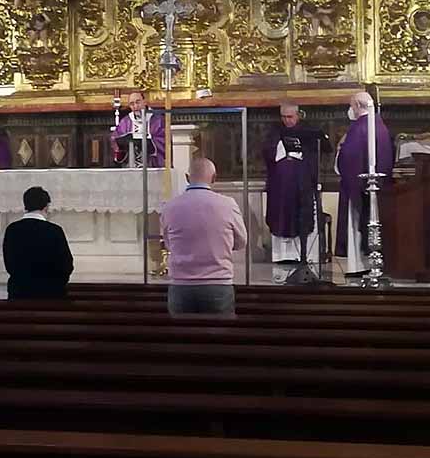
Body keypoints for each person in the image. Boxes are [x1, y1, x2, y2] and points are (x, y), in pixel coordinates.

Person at [160, 157, 247, 316]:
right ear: (214, 178)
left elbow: (168, 243)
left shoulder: (170, 207)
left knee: (180, 338)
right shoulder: (228, 204)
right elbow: (241, 241)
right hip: (218, 283)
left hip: (181, 285)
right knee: (219, 336)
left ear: (187, 177)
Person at [263, 103, 332, 264]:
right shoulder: (275, 132)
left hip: (303, 183)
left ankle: (305, 255)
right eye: (283, 117)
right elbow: (268, 151)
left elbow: (322, 150)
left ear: (298, 115)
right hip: (280, 186)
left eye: (290, 117)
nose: (286, 121)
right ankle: (283, 255)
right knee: (281, 214)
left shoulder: (310, 131)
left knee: (303, 214)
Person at [335, 93, 394, 277]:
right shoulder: (380, 125)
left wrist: (341, 150)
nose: (350, 110)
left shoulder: (359, 127)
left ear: (357, 105)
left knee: (360, 224)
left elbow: (349, 158)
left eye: (351, 106)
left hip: (360, 186)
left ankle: (360, 266)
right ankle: (372, 263)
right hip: (374, 184)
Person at [2, 187, 73, 300]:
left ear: (25, 205)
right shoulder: (54, 230)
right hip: (52, 294)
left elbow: (9, 263)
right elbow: (66, 264)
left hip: (20, 293)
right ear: (46, 206)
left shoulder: (12, 229)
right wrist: (55, 284)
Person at [111, 90, 166, 167]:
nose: (135, 106)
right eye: (132, 104)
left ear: (144, 101)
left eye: (138, 102)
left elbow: (164, 140)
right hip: (131, 164)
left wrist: (151, 140)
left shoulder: (158, 120)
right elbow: (116, 138)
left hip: (152, 164)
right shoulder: (125, 121)